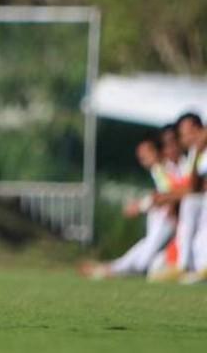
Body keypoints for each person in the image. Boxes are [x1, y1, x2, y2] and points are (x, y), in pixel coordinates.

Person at [80, 133, 176, 279]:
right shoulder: (158, 170)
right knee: (145, 250)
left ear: (158, 150)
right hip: (162, 220)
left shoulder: (165, 169)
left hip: (170, 221)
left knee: (145, 262)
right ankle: (111, 268)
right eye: (140, 155)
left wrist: (141, 206)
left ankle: (111, 270)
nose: (142, 158)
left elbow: (169, 194)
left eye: (146, 153)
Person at [151, 112, 207, 283]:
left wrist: (168, 197)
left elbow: (195, 187)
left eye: (186, 133)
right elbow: (194, 186)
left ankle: (190, 267)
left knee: (193, 202)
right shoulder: (194, 154)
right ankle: (187, 267)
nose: (184, 138)